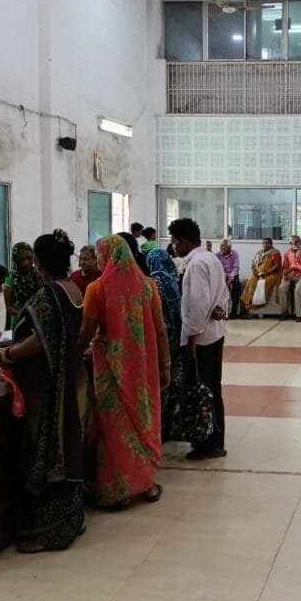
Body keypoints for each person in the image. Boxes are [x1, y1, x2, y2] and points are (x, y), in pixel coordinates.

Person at [0, 234, 86, 552]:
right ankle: (72, 519)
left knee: (46, 454)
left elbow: (39, 339)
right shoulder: (73, 288)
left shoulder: (49, 293)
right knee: (68, 446)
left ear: (40, 262)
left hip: (48, 387)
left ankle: (49, 532)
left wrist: (8, 354)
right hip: (70, 379)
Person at [78, 235, 170, 508]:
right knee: (142, 420)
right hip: (142, 367)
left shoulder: (96, 289)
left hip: (108, 367)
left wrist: (72, 352)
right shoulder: (148, 285)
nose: (98, 259)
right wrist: (165, 365)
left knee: (114, 424)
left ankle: (117, 490)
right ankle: (146, 483)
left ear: (107, 256)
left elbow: (85, 333)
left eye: (99, 254)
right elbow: (161, 330)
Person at [169, 217, 229, 461]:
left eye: (175, 241)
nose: (173, 246)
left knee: (201, 391)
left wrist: (191, 342)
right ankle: (216, 439)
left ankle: (207, 443)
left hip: (201, 339)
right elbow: (222, 293)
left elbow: (197, 305)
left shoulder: (195, 265)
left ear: (184, 241)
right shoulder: (210, 258)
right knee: (212, 388)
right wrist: (219, 309)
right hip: (215, 333)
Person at [146, 248, 184, 440]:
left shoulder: (154, 282)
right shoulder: (173, 279)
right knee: (174, 380)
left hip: (163, 337)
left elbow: (155, 314)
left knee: (161, 381)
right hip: (177, 336)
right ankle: (172, 424)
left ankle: (159, 425)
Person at [4, 242, 44, 330]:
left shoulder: (38, 274)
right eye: (22, 259)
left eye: (29, 258)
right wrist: (25, 316)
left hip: (37, 320)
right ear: (16, 260)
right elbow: (9, 307)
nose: (26, 262)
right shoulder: (10, 278)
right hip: (18, 321)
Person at [241, 238, 283, 317]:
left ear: (271, 244)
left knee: (264, 282)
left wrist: (266, 273)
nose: (265, 245)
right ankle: (248, 302)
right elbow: (253, 264)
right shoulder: (260, 253)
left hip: (272, 274)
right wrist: (254, 272)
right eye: (263, 243)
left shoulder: (275, 252)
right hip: (259, 273)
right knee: (251, 280)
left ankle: (259, 304)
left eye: (267, 243)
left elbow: (277, 266)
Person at [278, 235, 301, 322]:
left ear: (300, 242)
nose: (296, 244)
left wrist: (293, 268)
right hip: (290, 275)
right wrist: (286, 274)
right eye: (293, 242)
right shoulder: (288, 252)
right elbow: (285, 266)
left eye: (297, 242)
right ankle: (284, 312)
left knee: (298, 290)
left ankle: (299, 315)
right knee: (281, 288)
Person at [217, 239, 242, 319]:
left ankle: (233, 312)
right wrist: (225, 276)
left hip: (233, 275)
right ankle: (221, 311)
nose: (222, 247)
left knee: (236, 286)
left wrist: (231, 276)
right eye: (221, 245)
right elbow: (218, 268)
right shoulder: (217, 255)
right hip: (222, 275)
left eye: (224, 245)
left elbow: (236, 267)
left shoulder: (235, 254)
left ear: (229, 247)